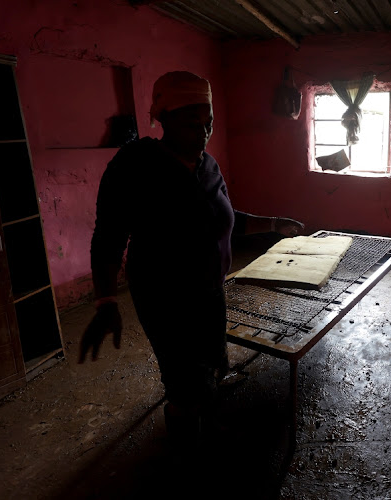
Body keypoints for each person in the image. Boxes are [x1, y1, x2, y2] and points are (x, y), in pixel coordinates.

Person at [78, 71, 303, 444]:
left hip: (210, 289)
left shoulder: (208, 167)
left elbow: (226, 220)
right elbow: (108, 238)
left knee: (215, 362)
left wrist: (274, 224)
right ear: (163, 118)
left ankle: (209, 423)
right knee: (184, 383)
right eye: (191, 122)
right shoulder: (135, 165)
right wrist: (105, 301)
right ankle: (186, 453)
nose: (203, 132)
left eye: (209, 122)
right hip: (164, 297)